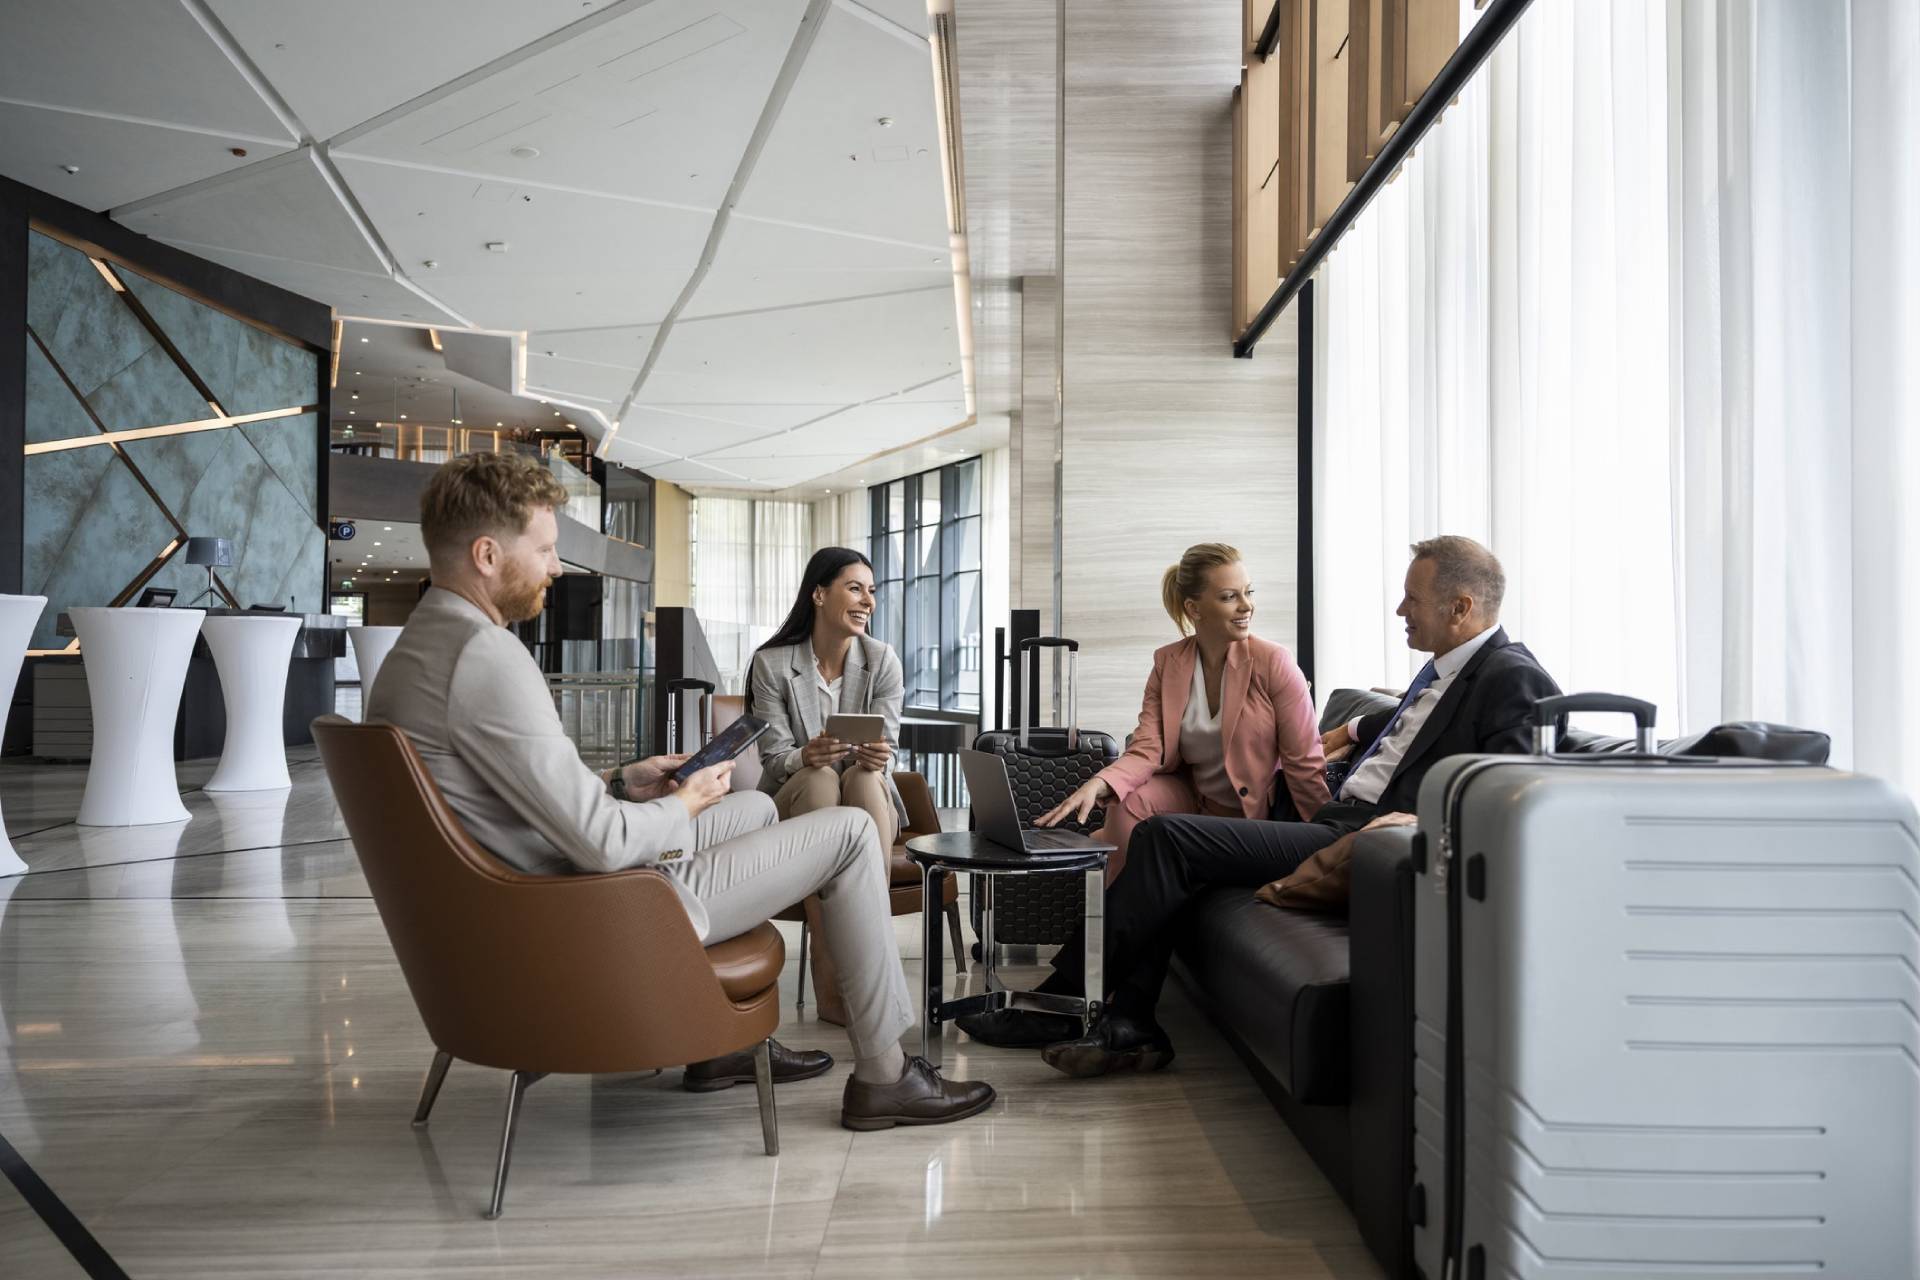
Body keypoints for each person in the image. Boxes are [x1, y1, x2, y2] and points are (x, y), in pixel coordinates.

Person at [368, 453, 992, 1131]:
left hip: (546, 892)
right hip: (596, 909)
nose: (556, 567)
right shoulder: (487, 658)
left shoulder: (419, 653)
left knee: (752, 804)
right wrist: (685, 802)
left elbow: (506, 797)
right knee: (844, 834)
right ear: (488, 554)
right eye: (545, 549)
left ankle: (722, 1044)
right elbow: (604, 843)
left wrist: (621, 782)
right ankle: (885, 1076)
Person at [960, 535, 1560, 1079]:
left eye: (1412, 599)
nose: (1401, 610)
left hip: (1368, 839)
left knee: (1169, 838)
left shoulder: (1512, 677)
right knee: (1157, 833)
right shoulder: (1442, 672)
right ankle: (1127, 1022)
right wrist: (1351, 733)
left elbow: (1511, 795)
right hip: (1339, 824)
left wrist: (1424, 823)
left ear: (1460, 607)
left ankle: (1067, 1003)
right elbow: (1400, 726)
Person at [1030, 543, 1328, 882]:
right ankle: (1123, 905)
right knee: (1127, 803)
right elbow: (1147, 747)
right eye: (1230, 597)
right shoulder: (1169, 663)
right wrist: (1099, 783)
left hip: (1250, 817)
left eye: (1248, 592)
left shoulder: (1274, 663)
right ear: (1194, 608)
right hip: (1194, 801)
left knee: (1112, 840)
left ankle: (1116, 882)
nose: (1247, 606)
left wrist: (1328, 838)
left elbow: (1304, 760)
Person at [746, 547, 906, 1027]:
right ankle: (849, 975)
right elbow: (774, 761)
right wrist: (805, 755)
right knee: (817, 780)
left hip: (865, 791)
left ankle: (858, 955)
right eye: (854, 588)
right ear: (819, 593)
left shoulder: (882, 660)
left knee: (861, 776)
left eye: (871, 590)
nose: (867, 600)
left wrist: (878, 755)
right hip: (797, 797)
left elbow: (888, 745)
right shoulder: (772, 664)